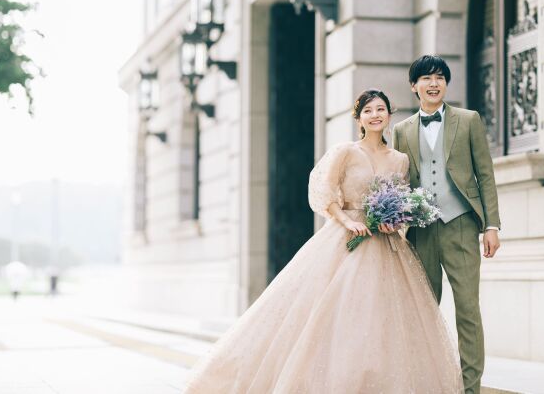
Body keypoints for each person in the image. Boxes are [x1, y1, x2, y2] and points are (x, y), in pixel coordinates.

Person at [184, 89, 463, 393]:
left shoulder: (400, 160)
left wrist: (393, 219)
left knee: (383, 320)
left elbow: (404, 198)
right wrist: (347, 221)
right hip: (345, 237)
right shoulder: (346, 151)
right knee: (331, 311)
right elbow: (324, 193)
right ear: (359, 117)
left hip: (386, 244)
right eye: (368, 110)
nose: (375, 115)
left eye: (380, 109)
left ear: (389, 115)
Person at [392, 55, 501, 394]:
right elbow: (399, 181)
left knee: (468, 309)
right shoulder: (402, 130)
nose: (433, 83)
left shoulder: (468, 120)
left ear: (446, 83)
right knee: (424, 311)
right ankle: (427, 382)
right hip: (421, 231)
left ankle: (471, 388)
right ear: (414, 86)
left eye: (439, 77)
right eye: (426, 78)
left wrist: (491, 226)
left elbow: (485, 174)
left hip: (461, 225)